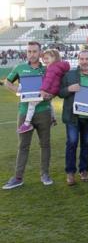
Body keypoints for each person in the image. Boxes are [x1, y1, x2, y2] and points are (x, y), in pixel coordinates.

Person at [3, 41, 53, 189]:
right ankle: (18, 177)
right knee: (23, 146)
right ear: (27, 52)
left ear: (40, 53)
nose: (32, 54)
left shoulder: (46, 69)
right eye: (29, 51)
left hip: (43, 111)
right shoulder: (20, 67)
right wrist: (17, 91)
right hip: (25, 113)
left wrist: (49, 95)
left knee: (45, 145)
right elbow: (7, 82)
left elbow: (52, 88)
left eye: (34, 51)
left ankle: (45, 174)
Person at [59, 50, 88, 185]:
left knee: (86, 144)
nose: (84, 62)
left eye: (87, 59)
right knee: (72, 143)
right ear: (78, 60)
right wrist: (69, 89)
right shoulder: (69, 75)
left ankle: (84, 170)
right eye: (82, 59)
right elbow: (60, 92)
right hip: (72, 117)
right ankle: (70, 172)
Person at [17, 49, 70, 134]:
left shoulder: (52, 68)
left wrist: (43, 90)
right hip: (53, 90)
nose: (45, 61)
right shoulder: (58, 66)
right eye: (44, 59)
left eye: (47, 58)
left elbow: (48, 80)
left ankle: (27, 124)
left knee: (32, 103)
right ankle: (53, 119)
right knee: (49, 102)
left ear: (54, 58)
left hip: (49, 90)